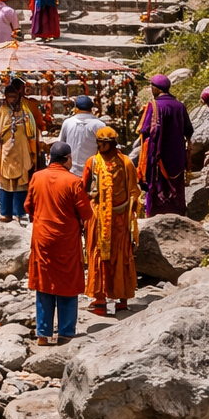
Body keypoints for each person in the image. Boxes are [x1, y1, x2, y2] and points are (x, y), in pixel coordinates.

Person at [25, 140, 93, 344]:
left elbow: (28, 206)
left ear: (50, 158)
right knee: (67, 284)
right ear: (67, 159)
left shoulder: (37, 177)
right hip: (66, 241)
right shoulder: (74, 182)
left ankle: (43, 335)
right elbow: (87, 213)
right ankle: (65, 333)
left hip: (42, 239)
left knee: (44, 284)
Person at [83, 126, 141, 316]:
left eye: (105, 143)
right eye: (100, 142)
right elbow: (84, 189)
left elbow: (134, 191)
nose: (101, 146)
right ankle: (99, 301)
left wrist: (130, 215)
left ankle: (122, 300)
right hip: (98, 218)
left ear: (113, 144)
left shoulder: (126, 163)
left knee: (122, 257)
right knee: (98, 256)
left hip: (120, 219)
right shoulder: (92, 162)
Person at [139, 74, 194, 215]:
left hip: (159, 153)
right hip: (178, 152)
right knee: (177, 183)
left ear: (157, 89)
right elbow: (189, 130)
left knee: (158, 182)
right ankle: (178, 211)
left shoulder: (154, 105)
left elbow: (145, 130)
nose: (152, 89)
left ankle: (157, 212)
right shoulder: (180, 106)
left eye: (152, 87)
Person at [0, 77, 41, 223]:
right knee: (5, 182)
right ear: (6, 98)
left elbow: (32, 132)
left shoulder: (25, 111)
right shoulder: (3, 110)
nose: (12, 99)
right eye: (9, 97)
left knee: (21, 182)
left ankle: (19, 212)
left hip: (22, 152)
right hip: (6, 152)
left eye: (14, 96)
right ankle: (5, 213)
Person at [58, 95, 104, 178]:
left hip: (71, 170)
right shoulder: (99, 125)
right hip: (93, 171)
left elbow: (61, 145)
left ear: (76, 108)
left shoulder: (68, 123)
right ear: (91, 109)